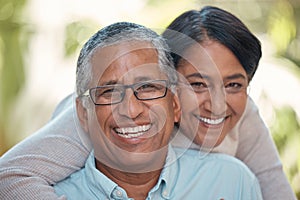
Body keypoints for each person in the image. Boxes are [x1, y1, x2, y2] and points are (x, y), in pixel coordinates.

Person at [0, 6, 295, 200]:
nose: (217, 104)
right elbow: (11, 175)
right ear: (172, 87)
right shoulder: (92, 116)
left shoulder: (241, 132)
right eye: (197, 84)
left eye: (233, 84)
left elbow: (274, 189)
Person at [53, 21, 263, 199]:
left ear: (175, 105)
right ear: (83, 113)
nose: (131, 110)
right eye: (109, 92)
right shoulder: (51, 194)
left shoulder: (232, 181)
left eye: (147, 87)